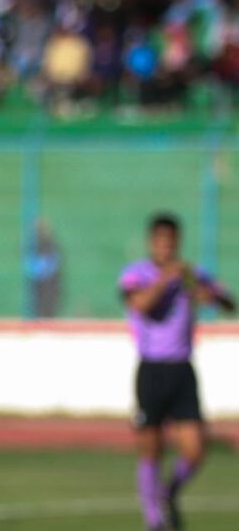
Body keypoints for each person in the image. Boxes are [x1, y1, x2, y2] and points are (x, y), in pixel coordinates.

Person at [119, 213, 235, 531]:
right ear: (152, 242)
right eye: (161, 241)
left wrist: (212, 295)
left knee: (196, 448)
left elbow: (227, 302)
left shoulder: (190, 274)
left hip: (183, 369)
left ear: (177, 242)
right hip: (152, 369)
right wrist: (167, 279)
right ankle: (154, 521)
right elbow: (140, 305)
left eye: (172, 241)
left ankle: (168, 495)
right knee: (151, 448)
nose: (167, 247)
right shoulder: (137, 274)